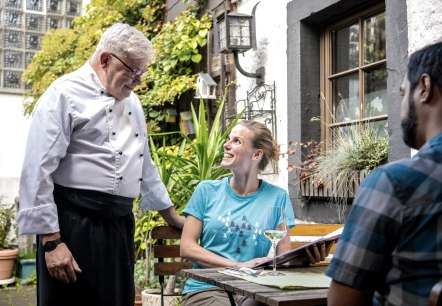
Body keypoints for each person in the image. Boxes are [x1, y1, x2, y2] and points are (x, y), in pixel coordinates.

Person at [17, 23, 185, 306]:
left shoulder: (134, 102)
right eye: (133, 71)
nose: (139, 81)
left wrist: (172, 217)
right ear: (105, 59)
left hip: (119, 225)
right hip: (74, 225)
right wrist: (51, 242)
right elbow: (37, 170)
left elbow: (144, 166)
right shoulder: (63, 94)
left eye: (142, 72)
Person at [326, 41, 442, 306]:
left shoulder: (394, 183)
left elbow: (343, 302)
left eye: (403, 93)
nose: (401, 107)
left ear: (424, 88)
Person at [180, 120, 331, 306]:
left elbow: (283, 257)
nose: (226, 144)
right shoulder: (207, 190)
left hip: (254, 288)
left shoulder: (277, 197)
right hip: (207, 289)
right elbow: (187, 247)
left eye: (236, 141)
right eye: (229, 139)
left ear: (257, 154)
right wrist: (238, 266)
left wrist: (307, 258)